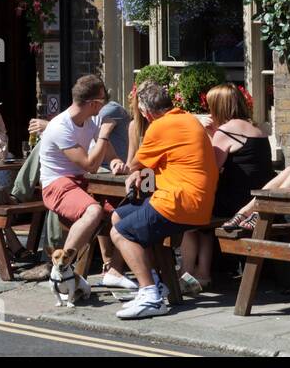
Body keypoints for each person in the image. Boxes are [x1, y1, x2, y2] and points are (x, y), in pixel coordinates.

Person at [110, 81, 219, 319]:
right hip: (195, 202)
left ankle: (150, 295)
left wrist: (127, 168)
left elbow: (134, 165)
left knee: (119, 232)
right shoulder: (187, 119)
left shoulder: (159, 127)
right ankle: (155, 283)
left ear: (146, 112)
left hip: (179, 203)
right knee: (119, 215)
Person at [180, 83, 272, 293]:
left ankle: (188, 273)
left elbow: (210, 169)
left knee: (189, 217)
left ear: (218, 107)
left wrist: (207, 135)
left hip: (236, 203)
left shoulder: (226, 131)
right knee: (203, 218)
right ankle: (201, 273)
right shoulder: (256, 128)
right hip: (252, 199)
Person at [37, 75, 126, 291]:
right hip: (57, 183)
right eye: (103, 100)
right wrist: (105, 135)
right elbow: (90, 165)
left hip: (82, 184)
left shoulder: (90, 120)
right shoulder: (60, 127)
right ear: (93, 103)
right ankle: (62, 274)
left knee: (126, 213)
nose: (105, 104)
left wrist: (115, 160)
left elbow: (105, 156)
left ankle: (113, 270)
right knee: (93, 212)